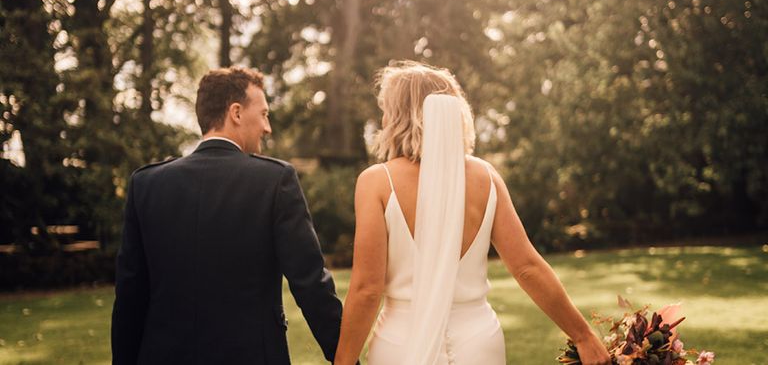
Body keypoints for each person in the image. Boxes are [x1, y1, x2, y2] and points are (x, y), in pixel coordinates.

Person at [333, 61, 611, 365]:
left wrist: (342, 362)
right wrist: (583, 336)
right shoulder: (486, 177)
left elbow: (366, 290)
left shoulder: (376, 182)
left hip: (401, 344)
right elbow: (527, 267)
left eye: (386, 109)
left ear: (400, 115)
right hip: (478, 343)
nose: (383, 119)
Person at [111, 66, 343, 364]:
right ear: (236, 112)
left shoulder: (146, 184)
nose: (267, 127)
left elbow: (130, 298)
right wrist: (345, 357)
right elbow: (310, 283)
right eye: (263, 114)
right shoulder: (275, 180)